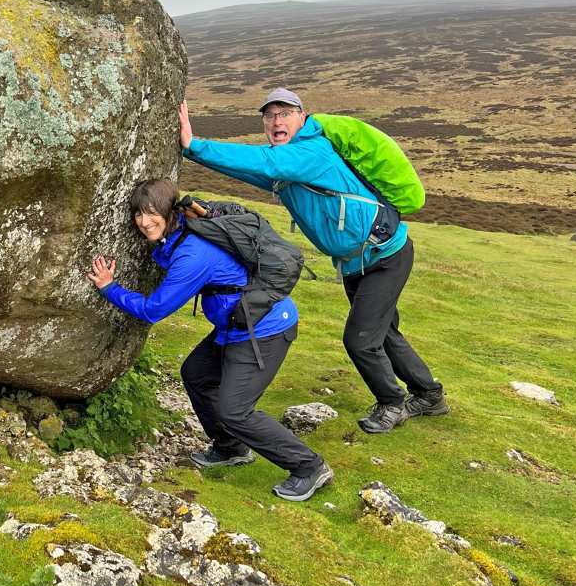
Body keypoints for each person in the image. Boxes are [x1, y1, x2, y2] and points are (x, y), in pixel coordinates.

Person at [178, 89, 447, 434]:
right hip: (357, 262)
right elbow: (252, 170)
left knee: (361, 339)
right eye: (269, 116)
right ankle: (429, 395)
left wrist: (195, 145)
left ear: (302, 117)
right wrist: (194, 153)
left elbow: (267, 162)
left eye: (285, 113)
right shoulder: (290, 163)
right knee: (382, 332)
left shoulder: (311, 152)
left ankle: (392, 403)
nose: (276, 121)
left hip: (385, 256)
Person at [88, 177, 334, 501]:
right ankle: (231, 448)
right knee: (197, 374)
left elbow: (154, 310)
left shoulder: (193, 254)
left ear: (168, 211)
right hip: (234, 328)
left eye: (151, 213)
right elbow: (167, 255)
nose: (144, 222)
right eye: (138, 214)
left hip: (265, 329)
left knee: (236, 410)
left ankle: (309, 466)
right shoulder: (181, 234)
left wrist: (110, 287)